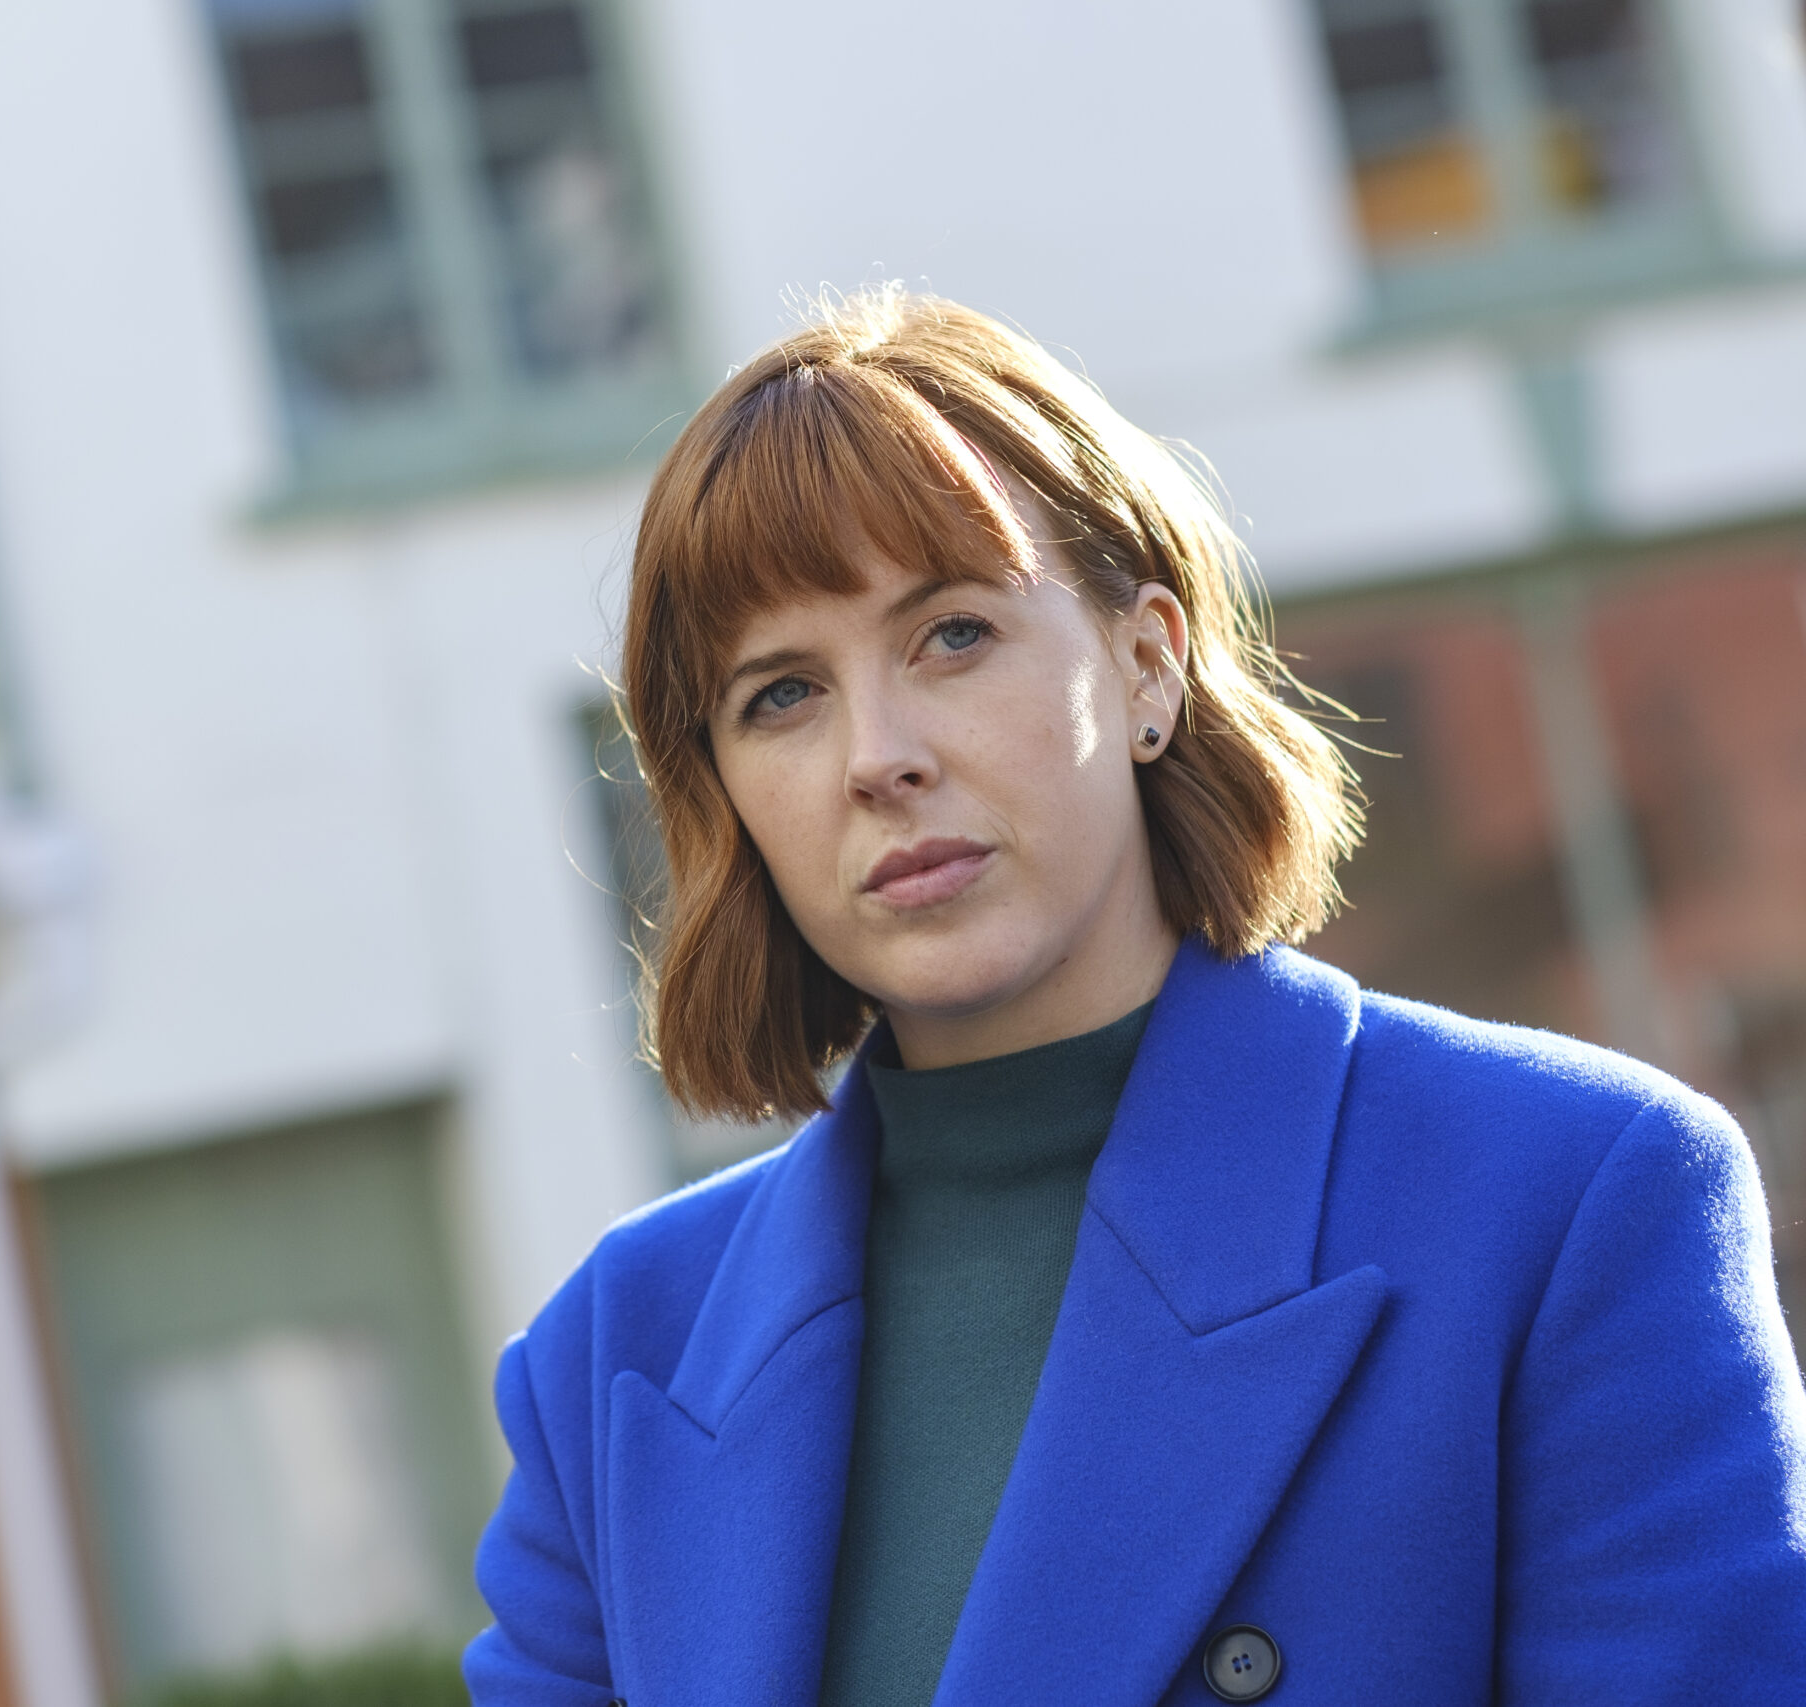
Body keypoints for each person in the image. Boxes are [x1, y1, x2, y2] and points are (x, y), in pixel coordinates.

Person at [462, 289, 1806, 1706]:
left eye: (952, 634)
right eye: (781, 696)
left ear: (1148, 662)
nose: (878, 756)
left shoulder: (1567, 1196)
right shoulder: (611, 1362)